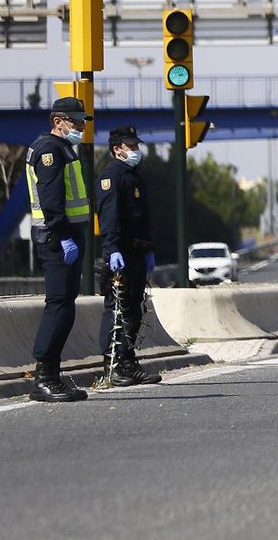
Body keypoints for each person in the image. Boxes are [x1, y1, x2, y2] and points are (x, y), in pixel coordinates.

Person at [23, 96, 94, 402]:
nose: (81, 126)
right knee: (59, 305)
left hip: (66, 236)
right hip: (56, 238)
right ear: (58, 121)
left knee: (65, 305)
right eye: (75, 121)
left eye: (82, 121)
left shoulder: (62, 147)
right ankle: (44, 378)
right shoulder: (50, 150)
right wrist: (63, 236)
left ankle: (52, 375)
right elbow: (51, 199)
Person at [96, 126, 162, 387]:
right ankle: (113, 365)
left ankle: (127, 362)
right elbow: (109, 217)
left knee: (133, 310)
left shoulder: (134, 176)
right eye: (131, 146)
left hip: (137, 253)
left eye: (136, 146)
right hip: (121, 252)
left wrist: (149, 249)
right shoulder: (112, 177)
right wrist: (112, 249)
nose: (136, 150)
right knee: (117, 309)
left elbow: (142, 219)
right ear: (117, 150)